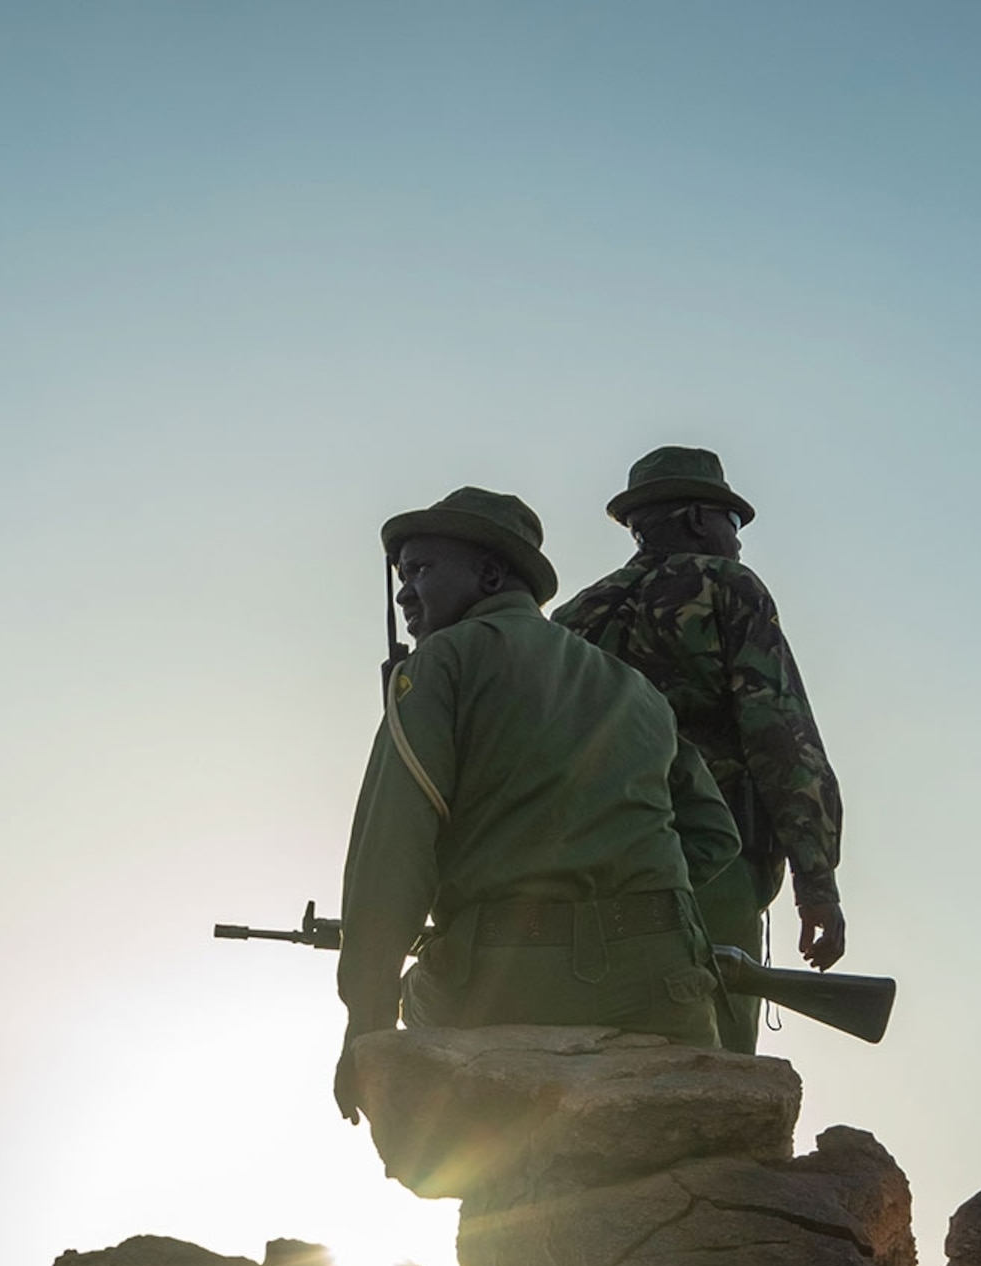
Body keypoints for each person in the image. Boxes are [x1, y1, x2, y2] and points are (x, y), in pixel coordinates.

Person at [335, 486, 740, 1122]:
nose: (404, 593)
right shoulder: (633, 688)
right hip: (664, 988)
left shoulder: (442, 661)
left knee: (421, 1008)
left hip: (508, 984)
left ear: (491, 573)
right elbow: (716, 834)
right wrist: (620, 895)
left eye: (420, 570)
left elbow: (393, 849)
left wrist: (364, 1019)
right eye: (401, 575)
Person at [553, 444, 848, 1052]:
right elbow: (780, 733)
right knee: (717, 1058)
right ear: (695, 519)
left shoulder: (570, 619)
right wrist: (816, 880)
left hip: (588, 879)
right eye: (730, 522)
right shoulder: (728, 586)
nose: (736, 541)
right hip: (714, 857)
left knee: (610, 1047)